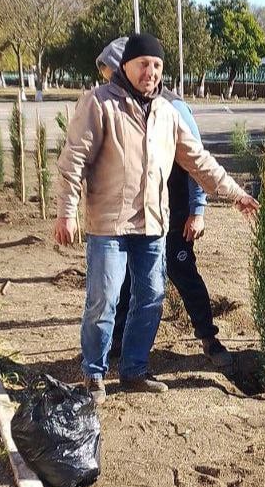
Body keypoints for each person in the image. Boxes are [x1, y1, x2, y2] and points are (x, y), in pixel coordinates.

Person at [55, 32, 258, 404]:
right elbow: (73, 162)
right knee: (104, 299)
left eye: (158, 65)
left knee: (150, 297)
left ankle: (133, 370)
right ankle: (94, 374)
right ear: (126, 66)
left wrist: (236, 193)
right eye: (144, 64)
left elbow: (199, 161)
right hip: (109, 225)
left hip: (152, 225)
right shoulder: (99, 104)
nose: (151, 71)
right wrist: (67, 211)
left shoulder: (167, 112)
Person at [95, 37, 231, 368]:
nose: (110, 82)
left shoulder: (173, 107)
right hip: (142, 211)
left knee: (182, 271)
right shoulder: (124, 104)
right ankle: (119, 343)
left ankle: (209, 339)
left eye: (110, 73)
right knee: (129, 277)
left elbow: (196, 162)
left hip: (177, 207)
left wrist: (197, 211)